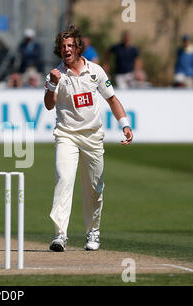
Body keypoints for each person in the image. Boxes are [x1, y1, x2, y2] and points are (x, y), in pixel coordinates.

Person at [43, 26, 133, 252]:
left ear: (78, 47)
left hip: (93, 136)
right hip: (66, 135)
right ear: (59, 50)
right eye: (63, 47)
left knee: (94, 188)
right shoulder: (56, 75)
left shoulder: (96, 72)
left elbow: (112, 99)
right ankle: (60, 235)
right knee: (64, 180)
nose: (67, 50)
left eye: (71, 46)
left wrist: (125, 124)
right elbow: (48, 104)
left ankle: (93, 232)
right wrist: (53, 84)